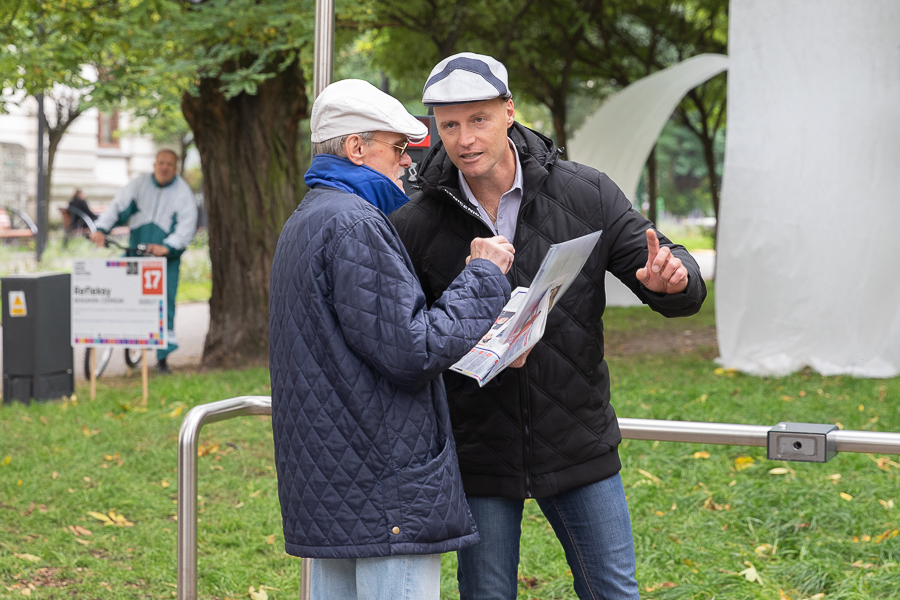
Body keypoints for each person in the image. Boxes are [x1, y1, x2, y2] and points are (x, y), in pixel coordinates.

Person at [391, 53, 708, 600]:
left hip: (578, 440)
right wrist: (475, 347)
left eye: (479, 119)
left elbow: (663, 266)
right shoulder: (415, 222)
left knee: (614, 592)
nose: (464, 138)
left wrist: (674, 281)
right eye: (449, 125)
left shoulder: (587, 193)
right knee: (487, 594)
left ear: (509, 111)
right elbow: (409, 338)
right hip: (477, 447)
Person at [268, 79, 516, 600]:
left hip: (333, 480)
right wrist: (483, 274)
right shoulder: (355, 223)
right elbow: (413, 349)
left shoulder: (308, 218)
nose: (409, 162)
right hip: (386, 485)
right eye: (399, 147)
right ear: (357, 148)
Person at [91, 149, 198, 374]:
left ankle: (162, 359)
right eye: (161, 162)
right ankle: (122, 333)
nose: (164, 167)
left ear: (175, 167)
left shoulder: (182, 193)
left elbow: (186, 226)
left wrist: (167, 247)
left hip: (165, 261)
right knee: (118, 292)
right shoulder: (139, 184)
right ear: (154, 164)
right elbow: (117, 206)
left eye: (169, 164)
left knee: (164, 306)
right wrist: (101, 228)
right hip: (135, 253)